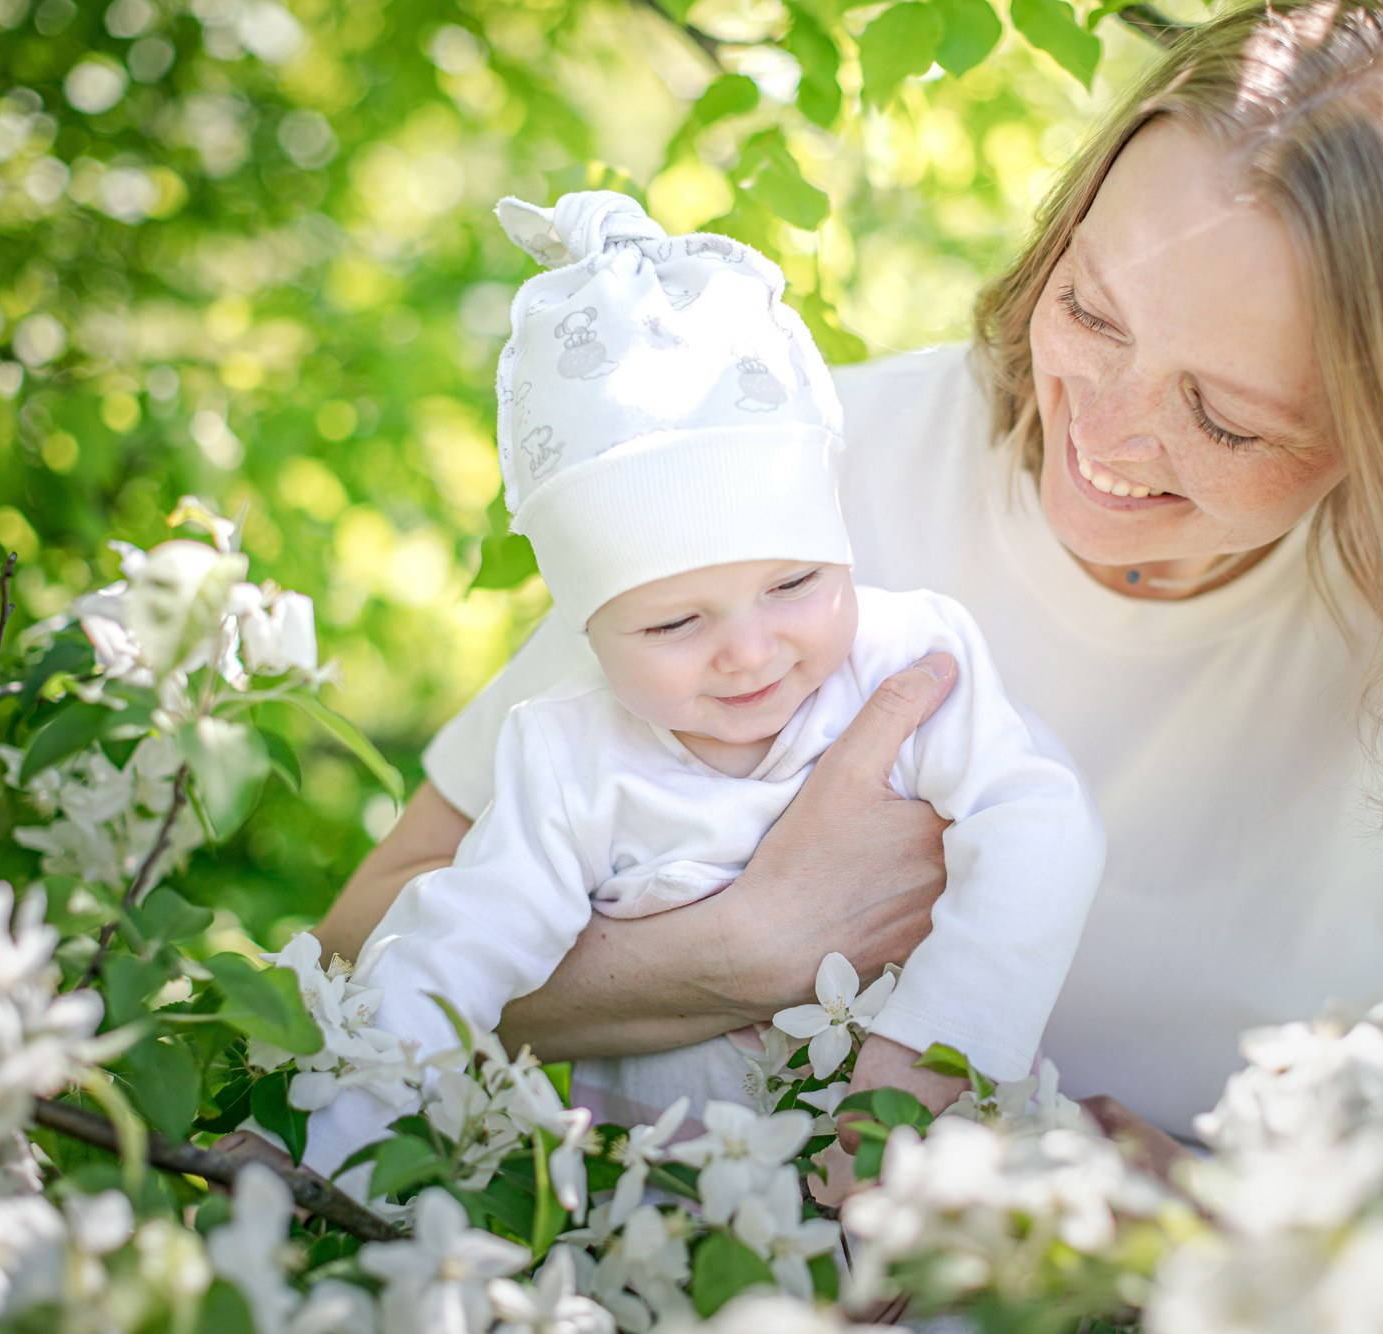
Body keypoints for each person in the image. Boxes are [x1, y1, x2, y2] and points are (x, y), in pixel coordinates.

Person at [320, 0, 1383, 1239]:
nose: (1108, 432)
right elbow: (356, 942)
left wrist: (1233, 1251)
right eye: (1090, 309)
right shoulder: (794, 488)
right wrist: (744, 951)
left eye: (1227, 416)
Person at [299, 192, 1103, 1179]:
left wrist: (930, 1057)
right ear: (586, 630)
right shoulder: (566, 755)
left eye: (794, 582)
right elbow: (456, 943)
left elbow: (1038, 820)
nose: (748, 650)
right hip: (665, 1212)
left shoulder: (907, 661)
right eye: (675, 621)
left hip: (910, 1188)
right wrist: (330, 1142)